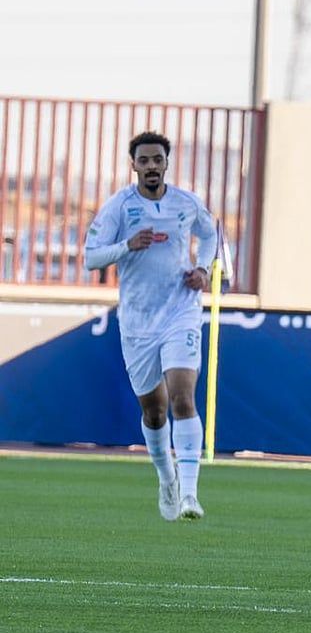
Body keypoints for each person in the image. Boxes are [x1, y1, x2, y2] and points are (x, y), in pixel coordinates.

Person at [84, 131, 217, 522]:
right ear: (134, 166)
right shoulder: (119, 207)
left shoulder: (185, 203)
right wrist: (127, 245)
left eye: (158, 159)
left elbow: (210, 233)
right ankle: (166, 478)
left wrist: (203, 269)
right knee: (155, 413)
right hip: (138, 321)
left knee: (182, 397)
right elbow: (91, 257)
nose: (152, 166)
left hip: (181, 310)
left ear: (166, 163)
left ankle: (190, 494)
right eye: (144, 160)